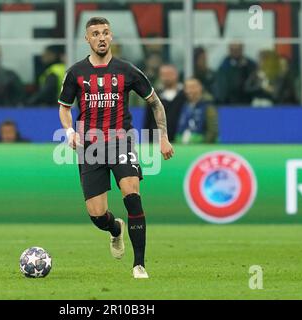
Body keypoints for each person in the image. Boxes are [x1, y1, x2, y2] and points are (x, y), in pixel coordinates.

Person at [58, 17, 174, 279]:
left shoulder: (128, 71)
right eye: (95, 33)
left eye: (105, 32)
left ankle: (139, 264)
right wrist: (69, 131)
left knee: (132, 194)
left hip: (121, 141)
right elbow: (64, 108)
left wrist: (163, 137)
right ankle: (115, 229)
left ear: (111, 37)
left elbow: (155, 103)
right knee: (97, 214)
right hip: (90, 147)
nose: (101, 37)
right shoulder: (76, 73)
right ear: (87, 39)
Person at [143, 64, 185, 142]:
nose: (167, 77)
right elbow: (147, 120)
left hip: (179, 140)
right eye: (164, 75)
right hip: (156, 140)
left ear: (176, 75)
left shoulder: (184, 95)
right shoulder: (153, 95)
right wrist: (146, 142)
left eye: (169, 74)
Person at [176, 78, 218, 144]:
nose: (189, 91)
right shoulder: (183, 105)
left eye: (192, 87)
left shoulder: (208, 106)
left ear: (200, 87)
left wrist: (202, 145)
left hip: (200, 149)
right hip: (182, 147)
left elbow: (213, 131)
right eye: (186, 88)